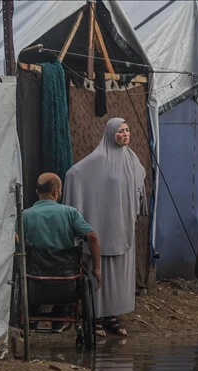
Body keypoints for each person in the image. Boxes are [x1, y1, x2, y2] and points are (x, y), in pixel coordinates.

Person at [63, 118, 146, 337]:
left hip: (123, 225)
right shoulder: (98, 159)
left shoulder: (132, 159)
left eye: (127, 130)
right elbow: (74, 174)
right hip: (101, 224)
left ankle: (113, 316)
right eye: (120, 131)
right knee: (98, 270)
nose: (125, 134)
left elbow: (139, 182)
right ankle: (95, 316)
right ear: (110, 134)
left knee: (118, 273)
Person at [20, 173, 102, 333]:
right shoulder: (71, 213)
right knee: (75, 274)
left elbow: (13, 238)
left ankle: (32, 317)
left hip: (34, 280)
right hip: (65, 281)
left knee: (27, 272)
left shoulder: (25, 216)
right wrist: (96, 269)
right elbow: (92, 237)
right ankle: (60, 318)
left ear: (37, 192)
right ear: (57, 192)